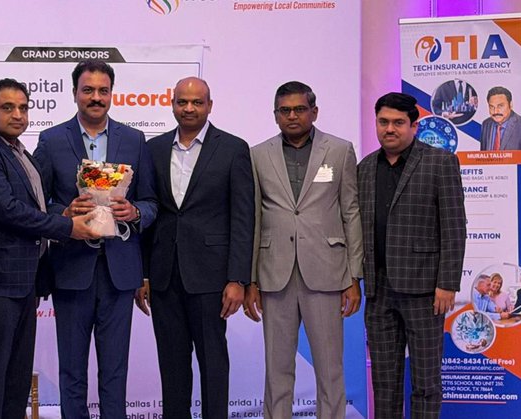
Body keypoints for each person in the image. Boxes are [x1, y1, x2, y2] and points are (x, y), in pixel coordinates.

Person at [0, 78, 100, 419]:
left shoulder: (21, 152)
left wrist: (64, 214)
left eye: (23, 108)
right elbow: (6, 209)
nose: (17, 115)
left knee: (17, 378)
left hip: (25, 281)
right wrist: (68, 227)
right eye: (8, 108)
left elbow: (35, 207)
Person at [33, 60, 157, 419]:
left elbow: (151, 202)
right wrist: (63, 212)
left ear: (112, 94)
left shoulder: (133, 140)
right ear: (75, 93)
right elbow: (36, 202)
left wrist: (135, 211)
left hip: (120, 271)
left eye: (103, 90)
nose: (96, 97)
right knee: (72, 370)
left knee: (115, 370)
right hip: (71, 268)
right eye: (88, 90)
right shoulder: (52, 140)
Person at [135, 77, 254, 418]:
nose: (189, 108)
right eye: (182, 102)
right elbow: (149, 213)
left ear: (209, 106)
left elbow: (243, 217)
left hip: (212, 277)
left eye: (197, 102)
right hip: (164, 275)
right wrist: (143, 274)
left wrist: (237, 278)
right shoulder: (153, 149)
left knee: (213, 363)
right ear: (172, 104)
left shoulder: (233, 148)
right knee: (172, 365)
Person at [243, 81, 362, 419]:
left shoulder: (339, 150)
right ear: (275, 115)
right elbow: (254, 218)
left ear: (314, 112)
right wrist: (251, 280)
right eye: (285, 110)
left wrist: (354, 276)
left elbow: (350, 212)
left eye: (299, 109)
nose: (292, 116)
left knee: (330, 369)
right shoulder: (257, 154)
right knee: (277, 369)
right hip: (274, 273)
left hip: (327, 271)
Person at [359, 92, 466, 419]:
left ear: (414, 126)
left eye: (398, 122)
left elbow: (454, 227)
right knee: (384, 382)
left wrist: (447, 283)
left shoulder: (440, 162)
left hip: (425, 291)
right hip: (378, 291)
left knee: (426, 382)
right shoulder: (364, 168)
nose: (389, 129)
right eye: (383, 122)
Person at [479, 86, 521, 151]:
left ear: (510, 105)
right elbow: (483, 154)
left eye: (500, 106)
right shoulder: (486, 124)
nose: (495, 111)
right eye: (492, 107)